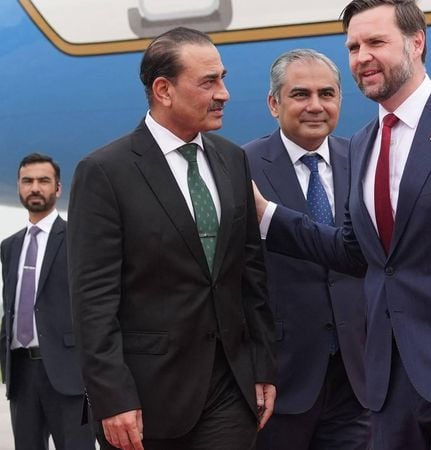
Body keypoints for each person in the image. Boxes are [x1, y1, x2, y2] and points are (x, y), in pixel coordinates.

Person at [254, 1, 431, 448]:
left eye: (375, 42)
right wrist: (268, 216)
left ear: (416, 42)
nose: (362, 57)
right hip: (385, 388)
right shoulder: (364, 143)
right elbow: (357, 253)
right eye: (353, 47)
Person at [67, 27, 276, 450]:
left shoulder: (232, 159)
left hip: (230, 392)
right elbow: (93, 301)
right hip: (147, 401)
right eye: (208, 82)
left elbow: (249, 274)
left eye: (223, 79)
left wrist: (262, 366)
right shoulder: (105, 172)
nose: (224, 94)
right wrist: (112, 396)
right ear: (164, 90)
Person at [243, 48, 370, 450]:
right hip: (280, 381)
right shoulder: (242, 167)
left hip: (357, 378)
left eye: (326, 94)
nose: (316, 106)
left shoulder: (364, 159)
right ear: (273, 103)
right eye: (300, 94)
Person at [0, 153, 96, 449]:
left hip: (71, 376)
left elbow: (95, 306)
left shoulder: (78, 239)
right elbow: (11, 307)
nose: (35, 188)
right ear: (19, 186)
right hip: (22, 377)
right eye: (27, 181)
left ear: (58, 188)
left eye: (43, 181)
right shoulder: (9, 246)